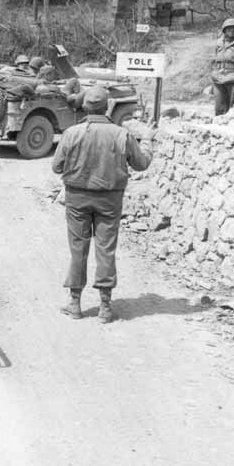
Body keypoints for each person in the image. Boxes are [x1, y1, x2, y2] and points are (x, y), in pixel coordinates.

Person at [51, 86, 154, 323]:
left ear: (85, 106)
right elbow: (142, 164)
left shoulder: (72, 133)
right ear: (107, 106)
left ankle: (75, 304)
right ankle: (105, 308)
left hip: (77, 199)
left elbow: (57, 167)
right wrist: (147, 140)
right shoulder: (122, 134)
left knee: (78, 249)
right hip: (110, 200)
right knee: (106, 249)